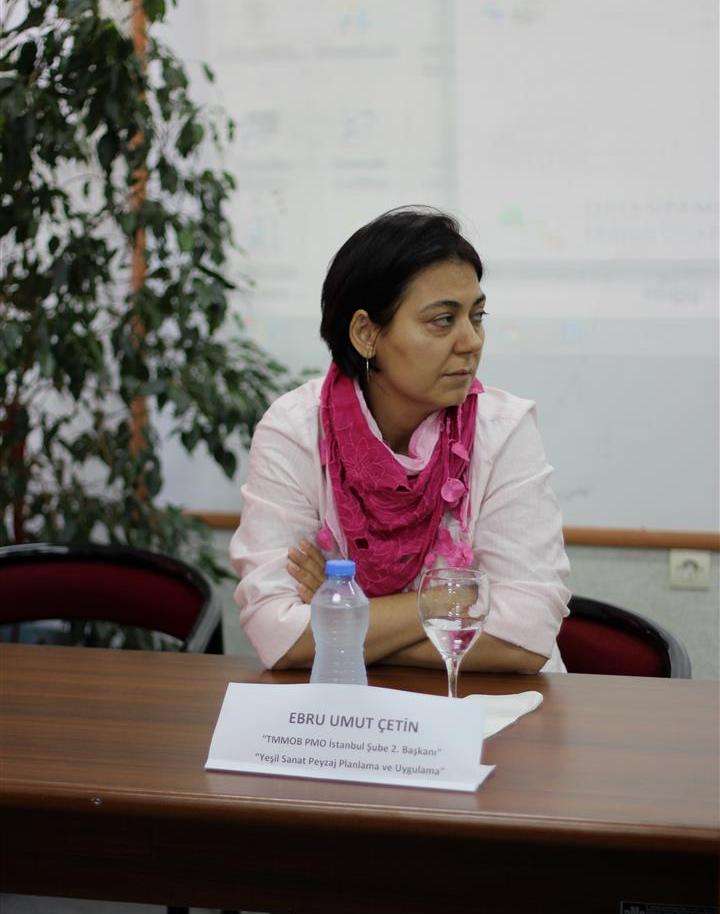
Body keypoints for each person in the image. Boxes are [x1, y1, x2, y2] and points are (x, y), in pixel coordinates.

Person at [230, 207, 570, 673]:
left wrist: (340, 614)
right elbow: (279, 636)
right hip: (350, 706)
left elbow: (525, 640)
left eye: (477, 316)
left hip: (492, 704)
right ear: (366, 334)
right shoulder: (294, 431)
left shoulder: (504, 429)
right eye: (442, 320)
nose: (471, 341)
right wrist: (447, 599)